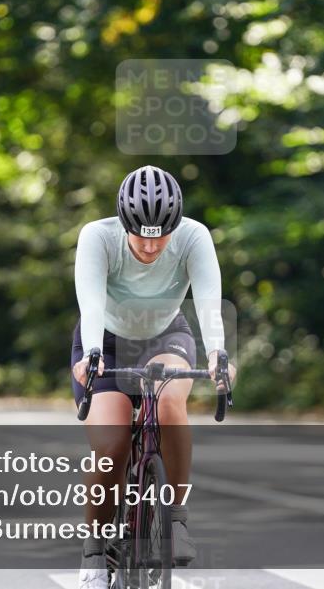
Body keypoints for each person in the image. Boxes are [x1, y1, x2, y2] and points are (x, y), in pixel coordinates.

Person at [70, 165, 235, 588]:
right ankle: (93, 550)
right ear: (123, 222)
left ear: (175, 224)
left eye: (160, 233)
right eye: (140, 233)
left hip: (166, 335)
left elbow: (209, 306)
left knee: (168, 402)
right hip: (104, 342)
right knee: (111, 445)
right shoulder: (98, 237)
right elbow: (90, 305)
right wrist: (91, 354)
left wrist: (218, 354)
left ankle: (175, 520)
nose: (149, 244)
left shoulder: (194, 237)